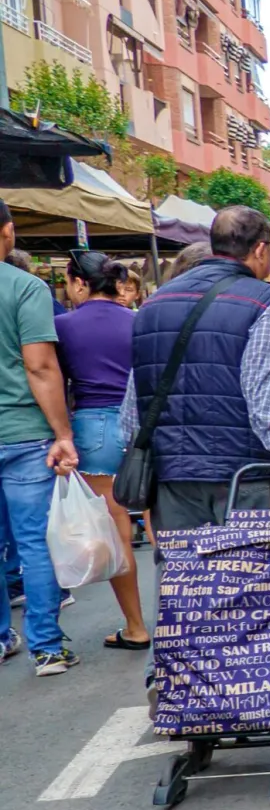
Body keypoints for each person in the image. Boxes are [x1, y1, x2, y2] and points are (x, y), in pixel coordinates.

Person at [120, 206, 270, 538]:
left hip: (172, 473)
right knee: (250, 579)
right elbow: (266, 397)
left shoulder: (153, 303)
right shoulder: (266, 302)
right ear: (260, 249)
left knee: (182, 581)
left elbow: (133, 407)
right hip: (245, 474)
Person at [0, 200, 80, 674]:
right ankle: (46, 647)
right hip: (25, 433)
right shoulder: (24, 287)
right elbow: (40, 365)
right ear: (7, 232)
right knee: (35, 542)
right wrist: (63, 433)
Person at [56, 250, 150, 651]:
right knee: (162, 518)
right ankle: (185, 614)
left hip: (93, 427)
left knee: (115, 530)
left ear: (79, 283)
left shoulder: (63, 326)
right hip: (144, 424)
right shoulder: (140, 321)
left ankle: (136, 626)